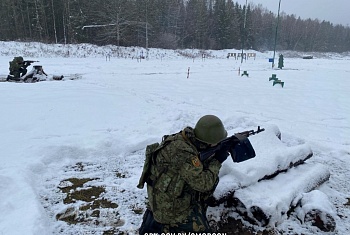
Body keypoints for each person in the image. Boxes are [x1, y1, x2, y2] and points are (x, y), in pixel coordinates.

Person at [137, 115, 229, 234]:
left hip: (157, 198)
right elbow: (205, 184)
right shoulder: (185, 154)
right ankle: (167, 227)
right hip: (170, 210)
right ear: (209, 142)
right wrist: (217, 160)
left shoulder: (181, 139)